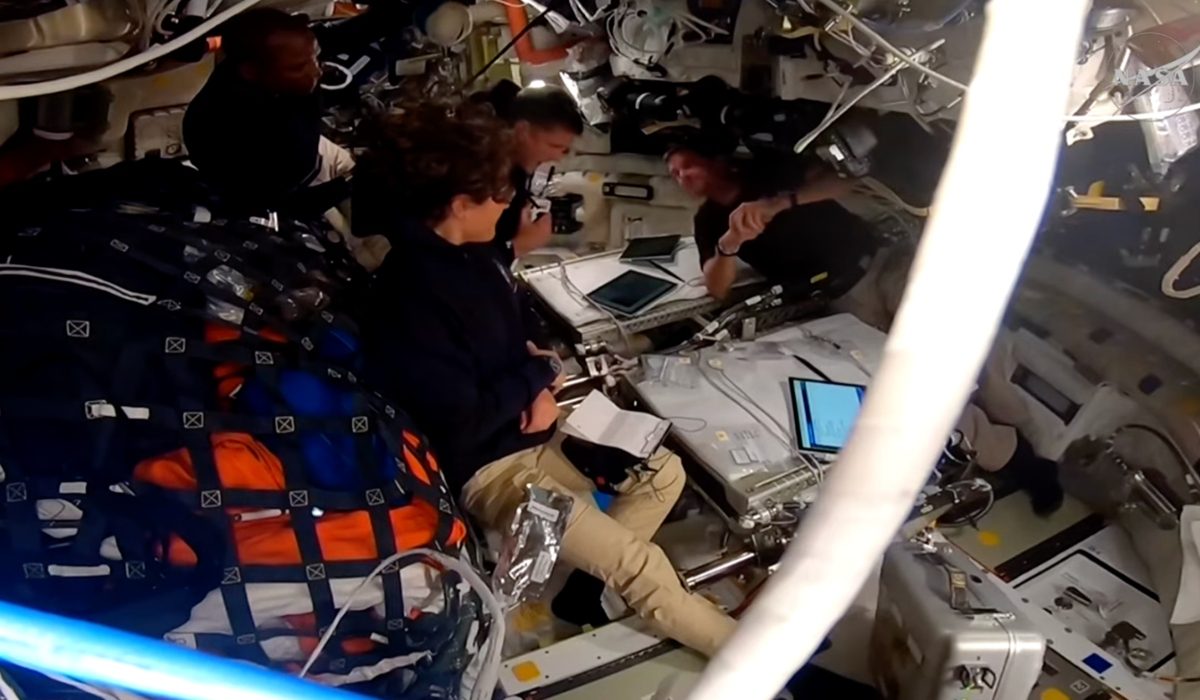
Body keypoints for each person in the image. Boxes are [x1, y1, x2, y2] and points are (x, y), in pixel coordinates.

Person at [358, 100, 736, 657]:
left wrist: (537, 367)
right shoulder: (410, 294)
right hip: (492, 468)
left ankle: (581, 593)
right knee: (643, 566)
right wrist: (537, 376)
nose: (507, 202)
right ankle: (761, 656)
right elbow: (457, 419)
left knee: (664, 470)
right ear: (460, 204)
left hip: (535, 433)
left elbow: (516, 315)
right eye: (497, 194)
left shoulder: (476, 255)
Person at [667, 145, 1064, 515]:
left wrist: (777, 204)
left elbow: (848, 180)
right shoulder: (709, 220)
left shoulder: (767, 169)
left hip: (886, 265)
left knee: (964, 358)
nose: (683, 176)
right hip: (848, 302)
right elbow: (717, 286)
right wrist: (731, 243)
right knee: (913, 391)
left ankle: (1027, 428)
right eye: (675, 174)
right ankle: (1018, 461)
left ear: (712, 159)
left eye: (687, 165)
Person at [183, 8, 354, 209]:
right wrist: (352, 180)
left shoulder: (271, 57)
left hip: (313, 156)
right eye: (298, 67)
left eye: (315, 57)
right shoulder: (226, 134)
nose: (317, 71)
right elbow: (278, 205)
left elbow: (332, 39)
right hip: (290, 193)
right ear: (251, 71)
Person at [483, 81, 585, 264]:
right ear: (522, 130)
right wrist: (520, 245)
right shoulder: (482, 176)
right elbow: (461, 260)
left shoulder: (517, 173)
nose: (557, 157)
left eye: (564, 150)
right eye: (553, 146)